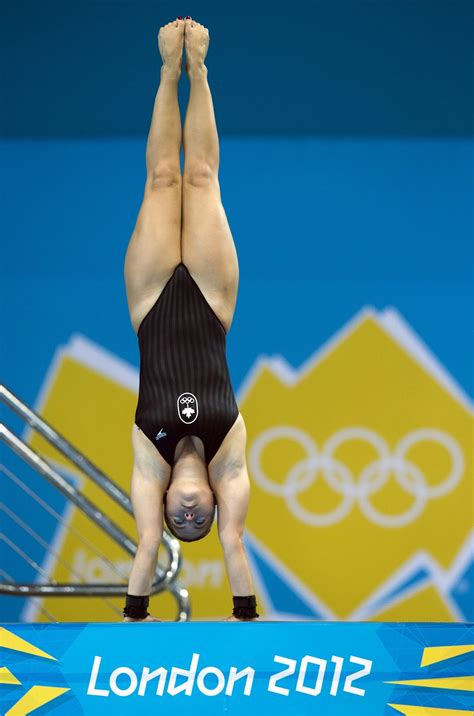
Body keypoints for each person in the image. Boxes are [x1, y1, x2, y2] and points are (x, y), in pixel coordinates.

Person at [122, 17, 258, 622]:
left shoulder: (149, 455)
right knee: (201, 180)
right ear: (212, 500)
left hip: (149, 304)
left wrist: (134, 614)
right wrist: (245, 614)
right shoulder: (229, 455)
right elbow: (234, 540)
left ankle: (163, 73)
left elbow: (148, 542)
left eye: (181, 519)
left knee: (161, 180)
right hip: (212, 303)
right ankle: (198, 71)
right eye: (196, 517)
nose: (187, 517)